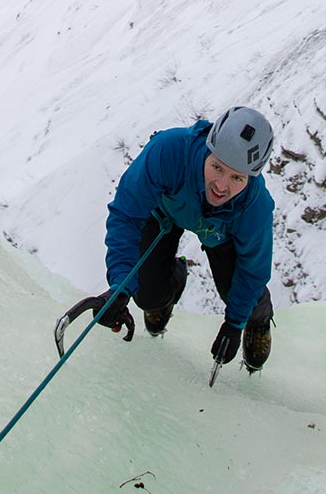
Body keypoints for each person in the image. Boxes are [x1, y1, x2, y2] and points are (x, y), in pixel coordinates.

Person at [94, 106, 276, 372]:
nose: (222, 186)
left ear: (251, 177)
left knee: (237, 291)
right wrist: (120, 286)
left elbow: (254, 269)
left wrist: (235, 324)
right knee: (148, 298)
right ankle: (174, 280)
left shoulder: (255, 205)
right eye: (217, 167)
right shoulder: (169, 151)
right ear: (207, 149)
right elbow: (127, 215)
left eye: (237, 177)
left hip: (219, 234)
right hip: (165, 213)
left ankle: (259, 318)